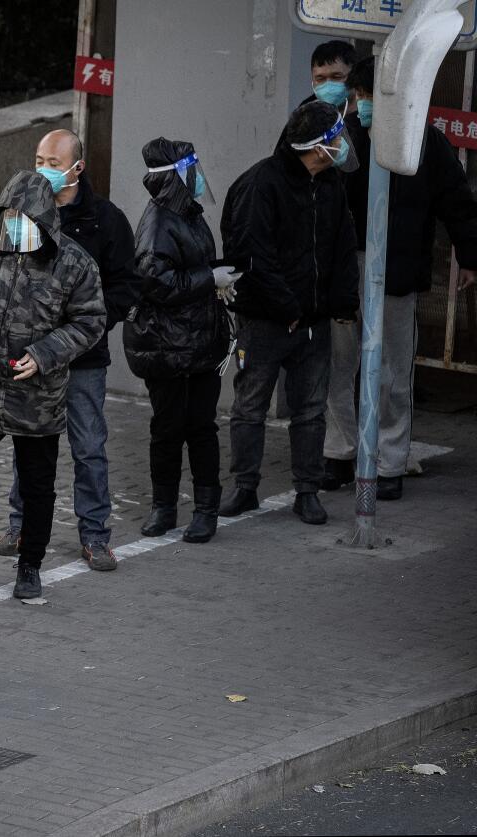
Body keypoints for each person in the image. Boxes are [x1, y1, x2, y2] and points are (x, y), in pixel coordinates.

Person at [0, 170, 105, 598]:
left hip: (37, 398)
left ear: (43, 222)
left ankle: (30, 566)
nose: (14, 225)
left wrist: (45, 354)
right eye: (9, 216)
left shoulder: (75, 263)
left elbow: (90, 321)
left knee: (36, 486)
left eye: (23, 218)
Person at [323, 56, 477, 500]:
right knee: (339, 366)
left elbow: (458, 203)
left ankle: (389, 462)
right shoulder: (345, 138)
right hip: (345, 271)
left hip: (398, 271)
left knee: (392, 372)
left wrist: (469, 256)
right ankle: (340, 452)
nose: (363, 105)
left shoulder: (425, 142)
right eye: (360, 97)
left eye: (371, 97)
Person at [0, 129, 140, 571]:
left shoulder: (106, 220)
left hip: (82, 361)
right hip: (31, 359)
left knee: (88, 447)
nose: (44, 170)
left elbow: (125, 287)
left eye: (54, 163)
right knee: (27, 444)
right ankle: (19, 527)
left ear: (77, 168)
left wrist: (88, 328)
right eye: (39, 160)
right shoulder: (20, 214)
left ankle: (95, 536)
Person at [220, 101, 360, 525]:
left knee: (311, 409)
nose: (342, 143)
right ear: (318, 148)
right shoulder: (260, 185)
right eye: (335, 138)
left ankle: (307, 490)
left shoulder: (331, 184)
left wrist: (339, 304)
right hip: (265, 321)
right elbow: (252, 256)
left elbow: (341, 247)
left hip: (312, 322)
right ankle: (245, 487)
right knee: (250, 406)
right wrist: (288, 307)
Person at [126, 139, 233, 543]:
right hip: (166, 345)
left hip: (201, 340)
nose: (200, 175)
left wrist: (218, 278)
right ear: (178, 176)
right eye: (193, 168)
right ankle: (164, 507)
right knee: (169, 427)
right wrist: (210, 280)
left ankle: (206, 510)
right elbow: (156, 282)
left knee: (202, 426)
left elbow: (192, 267)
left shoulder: (188, 214)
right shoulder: (157, 223)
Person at [275, 40, 358, 149]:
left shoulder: (369, 113)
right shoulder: (307, 112)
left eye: (336, 77)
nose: (328, 85)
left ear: (355, 75)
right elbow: (285, 157)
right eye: (320, 78)